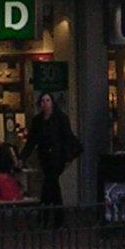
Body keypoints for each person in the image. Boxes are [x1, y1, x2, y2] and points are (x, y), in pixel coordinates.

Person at [22, 91, 77, 222]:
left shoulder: (61, 118)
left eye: (47, 101)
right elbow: (31, 141)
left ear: (52, 103)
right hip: (45, 158)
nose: (45, 104)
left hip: (57, 158)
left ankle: (46, 217)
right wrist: (22, 157)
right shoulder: (37, 121)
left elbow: (67, 137)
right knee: (52, 186)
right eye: (42, 101)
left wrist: (68, 157)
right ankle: (54, 216)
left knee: (49, 183)